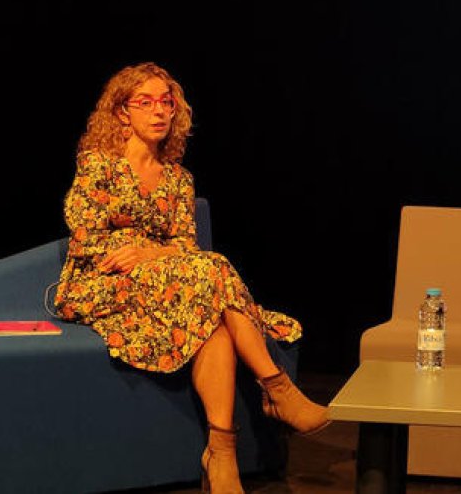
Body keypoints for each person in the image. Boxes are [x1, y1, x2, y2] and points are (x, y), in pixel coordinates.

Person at [53, 62, 329, 494]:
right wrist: (147, 256)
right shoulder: (98, 167)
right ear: (123, 112)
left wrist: (152, 253)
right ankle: (277, 389)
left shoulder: (179, 179)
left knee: (213, 315)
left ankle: (222, 454)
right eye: (146, 102)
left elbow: (185, 244)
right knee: (214, 274)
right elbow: (87, 238)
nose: (160, 111)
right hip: (103, 284)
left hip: (167, 283)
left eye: (167, 102)